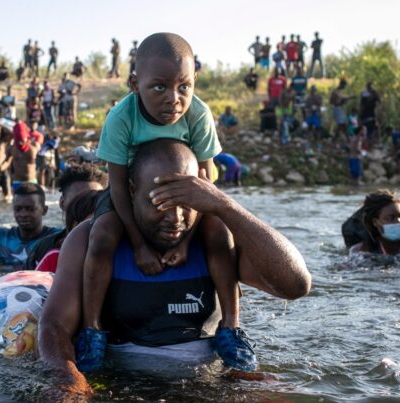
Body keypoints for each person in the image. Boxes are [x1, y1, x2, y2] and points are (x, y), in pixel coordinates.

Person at [38, 139, 311, 403]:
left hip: (208, 382)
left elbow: (295, 284)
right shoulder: (91, 240)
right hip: (121, 385)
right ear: (132, 192)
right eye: (162, 203)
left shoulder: (214, 242)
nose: (176, 218)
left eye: (187, 204)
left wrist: (225, 206)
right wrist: (66, 376)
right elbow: (54, 325)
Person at [83, 33, 271, 375]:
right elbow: (118, 187)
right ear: (135, 83)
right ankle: (94, 330)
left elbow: (206, 182)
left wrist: (186, 240)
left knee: (219, 230)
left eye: (184, 87)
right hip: (135, 192)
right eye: (159, 88)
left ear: (194, 81)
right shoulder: (121, 118)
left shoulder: (198, 114)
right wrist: (138, 244)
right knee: (101, 235)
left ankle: (230, 327)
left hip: (190, 194)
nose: (174, 99)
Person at [24, 163, 107, 270]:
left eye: (96, 199)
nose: (88, 205)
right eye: (80, 201)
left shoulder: (117, 246)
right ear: (62, 203)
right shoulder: (46, 248)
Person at [9, 120, 42, 190]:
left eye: (22, 140)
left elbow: (39, 143)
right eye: (18, 140)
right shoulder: (12, 149)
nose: (20, 143)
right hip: (17, 182)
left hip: (31, 181)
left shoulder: (34, 146)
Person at [359, 82, 381, 148]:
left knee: (373, 128)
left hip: (371, 113)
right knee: (369, 128)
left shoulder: (374, 93)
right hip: (367, 114)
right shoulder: (366, 93)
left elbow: (379, 102)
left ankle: (372, 143)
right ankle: (368, 143)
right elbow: (362, 105)